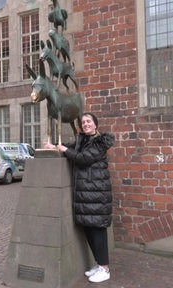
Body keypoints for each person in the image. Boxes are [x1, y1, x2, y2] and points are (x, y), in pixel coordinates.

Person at [44, 112, 115, 283]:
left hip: (97, 193)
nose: (86, 124)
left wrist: (64, 150)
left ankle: (105, 269)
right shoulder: (82, 140)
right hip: (85, 194)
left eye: (89, 121)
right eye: (83, 122)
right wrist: (53, 146)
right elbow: (68, 146)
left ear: (95, 124)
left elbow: (83, 159)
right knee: (89, 230)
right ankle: (99, 264)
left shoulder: (99, 143)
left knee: (98, 231)